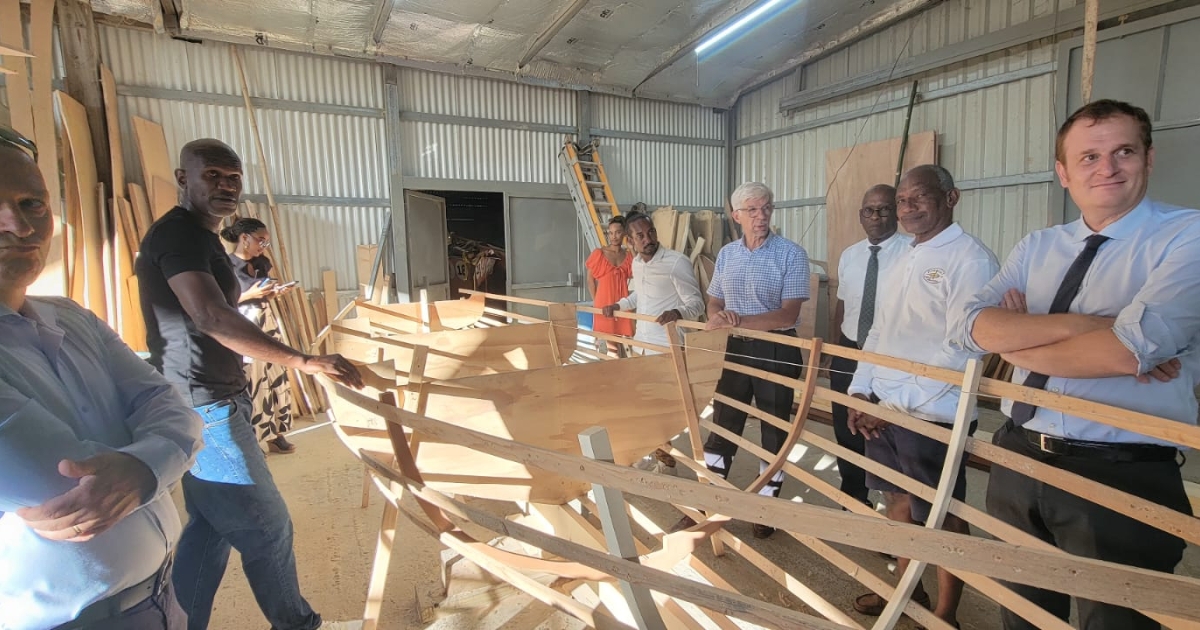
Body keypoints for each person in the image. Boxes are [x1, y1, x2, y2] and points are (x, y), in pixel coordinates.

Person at [954, 99, 1197, 630]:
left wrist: (1014, 342)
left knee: (1117, 620)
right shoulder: (1039, 245)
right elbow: (967, 326)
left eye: (1123, 151)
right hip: (1018, 458)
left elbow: (1128, 350)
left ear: (1148, 159)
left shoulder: (1187, 237)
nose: (1106, 167)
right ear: (1063, 173)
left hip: (1120, 473)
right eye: (1088, 157)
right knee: (1022, 612)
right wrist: (1099, 324)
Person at [135, 138, 364, 630]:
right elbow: (210, 316)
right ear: (183, 180)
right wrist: (304, 361)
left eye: (233, 178)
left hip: (213, 394)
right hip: (205, 402)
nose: (225, 186)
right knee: (268, 527)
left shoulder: (203, 238)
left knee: (212, 529)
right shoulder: (179, 237)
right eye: (212, 176)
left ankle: (176, 623)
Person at [0, 125, 202, 629]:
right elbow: (61, 482)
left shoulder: (71, 316)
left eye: (32, 204)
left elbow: (174, 408)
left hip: (160, 595)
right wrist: (155, 459)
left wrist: (138, 472)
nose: (19, 227)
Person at [846, 165, 998, 627]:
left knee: (941, 516)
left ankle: (946, 612)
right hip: (886, 407)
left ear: (951, 198)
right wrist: (861, 390)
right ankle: (903, 593)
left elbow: (967, 346)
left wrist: (896, 407)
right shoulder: (903, 257)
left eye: (919, 198)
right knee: (896, 505)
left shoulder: (970, 260)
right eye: (903, 201)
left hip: (931, 414)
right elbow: (878, 331)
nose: (908, 208)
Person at [674, 181, 809, 540]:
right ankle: (707, 501)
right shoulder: (729, 255)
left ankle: (766, 507)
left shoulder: (791, 254)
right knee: (722, 425)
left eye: (766, 208)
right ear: (736, 216)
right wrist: (718, 316)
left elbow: (787, 316)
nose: (761, 216)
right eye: (752, 210)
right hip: (733, 349)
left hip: (776, 350)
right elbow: (714, 299)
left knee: (773, 429)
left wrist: (738, 321)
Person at [829, 184, 908, 506]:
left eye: (884, 209)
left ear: (897, 213)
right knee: (846, 430)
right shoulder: (850, 256)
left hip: (891, 356)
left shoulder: (912, 253)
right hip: (849, 351)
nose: (876, 217)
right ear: (860, 215)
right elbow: (843, 306)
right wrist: (836, 352)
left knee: (887, 433)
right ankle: (854, 497)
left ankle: (896, 508)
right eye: (868, 210)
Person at [221, 217, 297, 455]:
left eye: (266, 243)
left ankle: (277, 433)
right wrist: (250, 293)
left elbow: (264, 294)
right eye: (260, 241)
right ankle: (255, 437)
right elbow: (223, 302)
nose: (263, 247)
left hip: (267, 320)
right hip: (245, 322)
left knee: (276, 375)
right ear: (244, 239)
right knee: (254, 380)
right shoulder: (226, 266)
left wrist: (274, 293)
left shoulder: (262, 262)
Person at [600, 210, 704, 351]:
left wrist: (677, 312)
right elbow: (640, 295)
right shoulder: (636, 263)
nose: (648, 240)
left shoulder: (676, 262)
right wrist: (617, 306)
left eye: (651, 232)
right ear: (630, 241)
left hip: (667, 346)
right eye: (640, 236)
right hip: (641, 344)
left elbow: (697, 305)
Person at [585, 215, 633, 356]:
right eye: (610, 233)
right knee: (606, 347)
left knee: (622, 343)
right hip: (603, 303)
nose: (613, 236)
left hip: (622, 303)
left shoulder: (629, 255)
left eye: (618, 232)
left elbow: (640, 270)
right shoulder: (599, 253)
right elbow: (590, 280)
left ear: (624, 233)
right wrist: (597, 304)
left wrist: (632, 247)